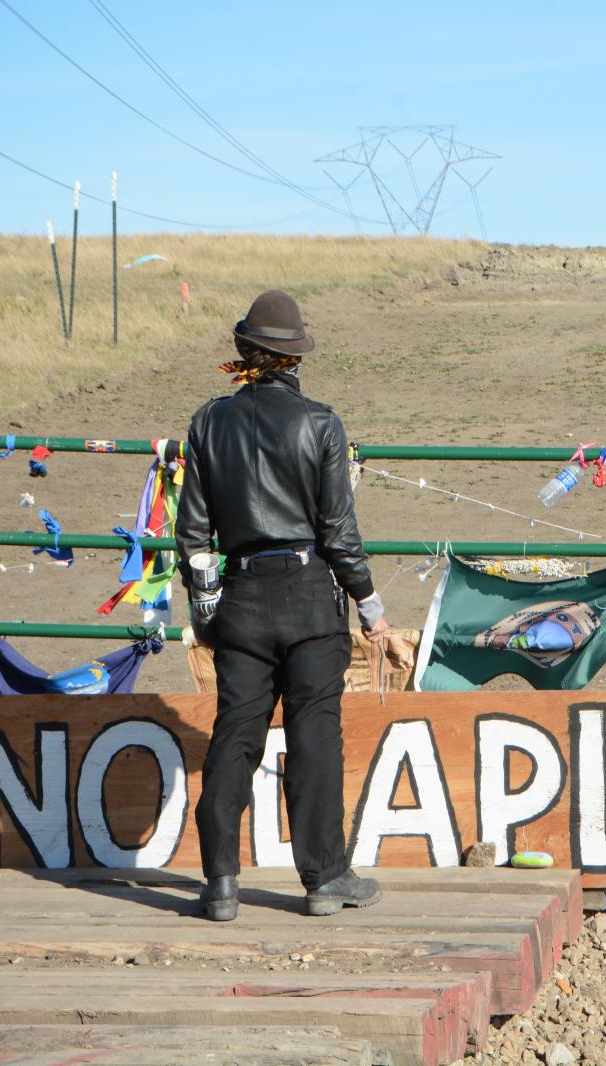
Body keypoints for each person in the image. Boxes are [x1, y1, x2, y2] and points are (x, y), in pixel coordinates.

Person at [178, 289, 388, 922]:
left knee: (234, 735)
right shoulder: (320, 423)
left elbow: (193, 536)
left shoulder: (208, 421)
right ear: (294, 358)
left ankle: (219, 880)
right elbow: (338, 533)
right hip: (309, 601)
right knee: (315, 738)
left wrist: (208, 611)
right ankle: (325, 879)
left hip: (239, 600)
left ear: (246, 353)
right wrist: (370, 604)